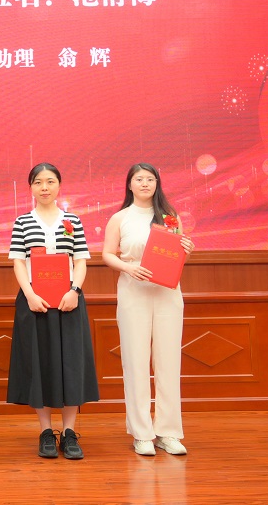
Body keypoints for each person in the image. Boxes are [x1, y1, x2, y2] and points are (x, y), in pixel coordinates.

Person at [6, 163, 99, 460]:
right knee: (40, 364)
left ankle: (69, 432)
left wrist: (75, 291)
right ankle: (46, 431)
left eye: (50, 181)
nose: (44, 187)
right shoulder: (23, 221)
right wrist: (30, 295)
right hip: (35, 302)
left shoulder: (73, 220)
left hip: (69, 301)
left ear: (59, 185)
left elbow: (80, 260)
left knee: (70, 364)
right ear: (31, 187)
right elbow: (18, 261)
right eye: (38, 182)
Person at [102, 163, 195, 457]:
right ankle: (141, 433)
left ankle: (168, 432)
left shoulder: (170, 217)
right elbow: (107, 254)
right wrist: (128, 268)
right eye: (139, 179)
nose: (145, 184)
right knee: (136, 362)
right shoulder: (120, 218)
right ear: (129, 184)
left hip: (168, 292)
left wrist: (187, 249)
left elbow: (176, 254)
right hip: (134, 291)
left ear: (157, 184)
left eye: (150, 179)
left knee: (169, 362)